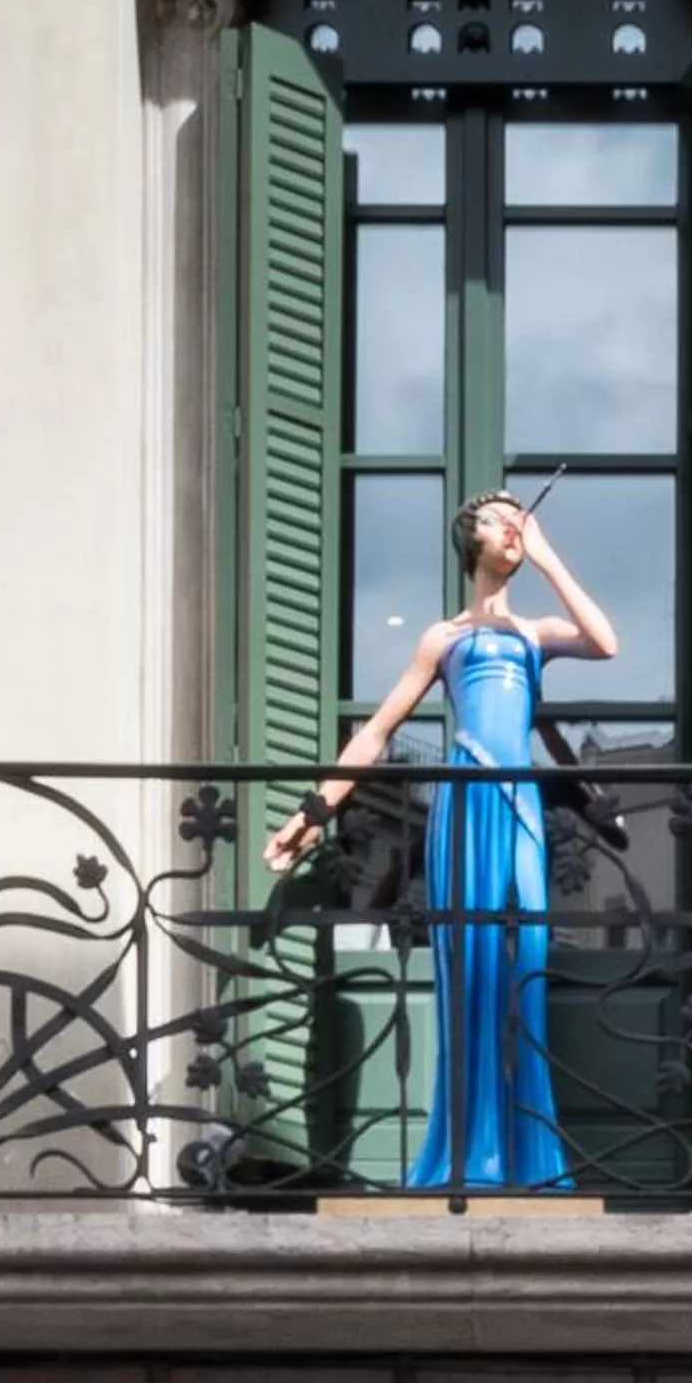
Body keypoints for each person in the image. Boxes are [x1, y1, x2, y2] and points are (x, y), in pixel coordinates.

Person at [266, 489, 619, 1189]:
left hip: (516, 802)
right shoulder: (445, 638)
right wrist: (314, 811)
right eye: (496, 517)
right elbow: (376, 732)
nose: (510, 526)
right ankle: (470, 1154)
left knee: (524, 966)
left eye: (519, 516)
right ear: (468, 541)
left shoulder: (533, 634)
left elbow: (606, 642)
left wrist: (546, 557)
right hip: (465, 802)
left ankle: (529, 1153)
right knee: (468, 964)